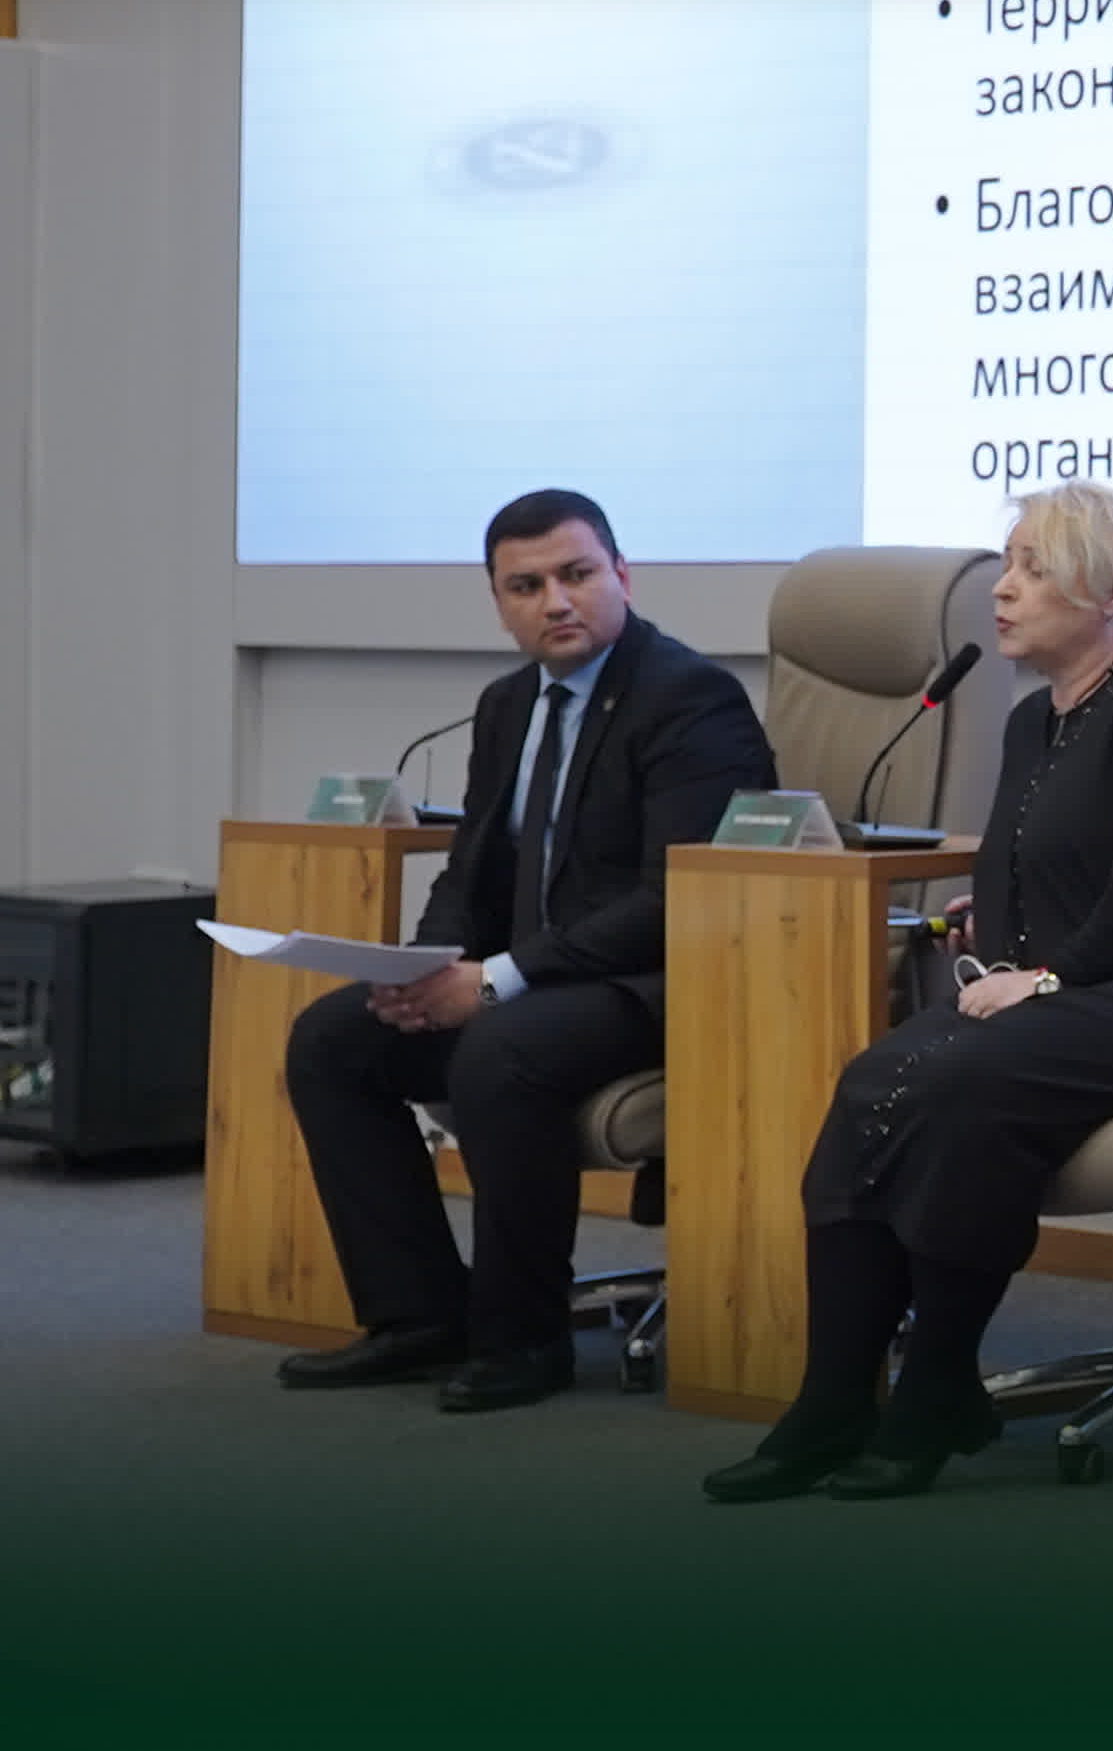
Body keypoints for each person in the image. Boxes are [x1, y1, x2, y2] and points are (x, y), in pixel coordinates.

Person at [702, 482, 1113, 1503]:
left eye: (1032, 568)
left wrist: (1054, 973)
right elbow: (1046, 864)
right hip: (1077, 995)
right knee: (871, 1080)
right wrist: (1009, 933)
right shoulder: (1030, 722)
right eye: (1006, 563)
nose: (1002, 589)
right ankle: (833, 1399)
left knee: (966, 1083)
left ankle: (936, 1383)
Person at [281, 489, 776, 1411]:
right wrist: (423, 970)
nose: (556, 601)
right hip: (539, 984)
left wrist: (495, 982)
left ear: (622, 575)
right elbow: (471, 872)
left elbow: (678, 902)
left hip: (660, 984)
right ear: (499, 603)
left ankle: (524, 1337)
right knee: (332, 1038)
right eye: (527, 586)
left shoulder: (690, 699)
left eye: (576, 575)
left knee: (501, 1050)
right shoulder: (507, 705)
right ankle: (418, 1315)